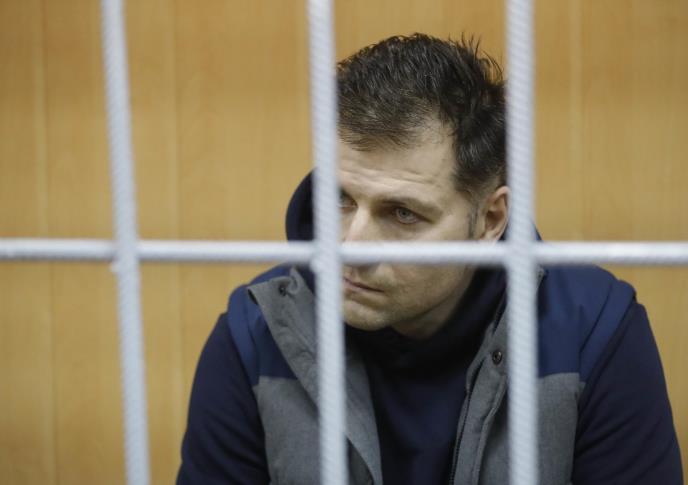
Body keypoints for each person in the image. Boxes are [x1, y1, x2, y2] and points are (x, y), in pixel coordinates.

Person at [176, 34, 683, 484]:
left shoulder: (593, 330)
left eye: (403, 213)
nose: (351, 245)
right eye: (339, 198)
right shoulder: (255, 332)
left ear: (490, 220)